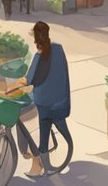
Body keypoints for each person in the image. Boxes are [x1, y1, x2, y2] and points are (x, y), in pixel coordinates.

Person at [19, 21, 72, 177]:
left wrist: (13, 86)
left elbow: (28, 80)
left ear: (36, 39)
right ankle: (40, 159)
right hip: (60, 100)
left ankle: (35, 158)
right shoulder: (58, 49)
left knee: (26, 117)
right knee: (44, 126)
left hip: (44, 103)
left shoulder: (38, 56)